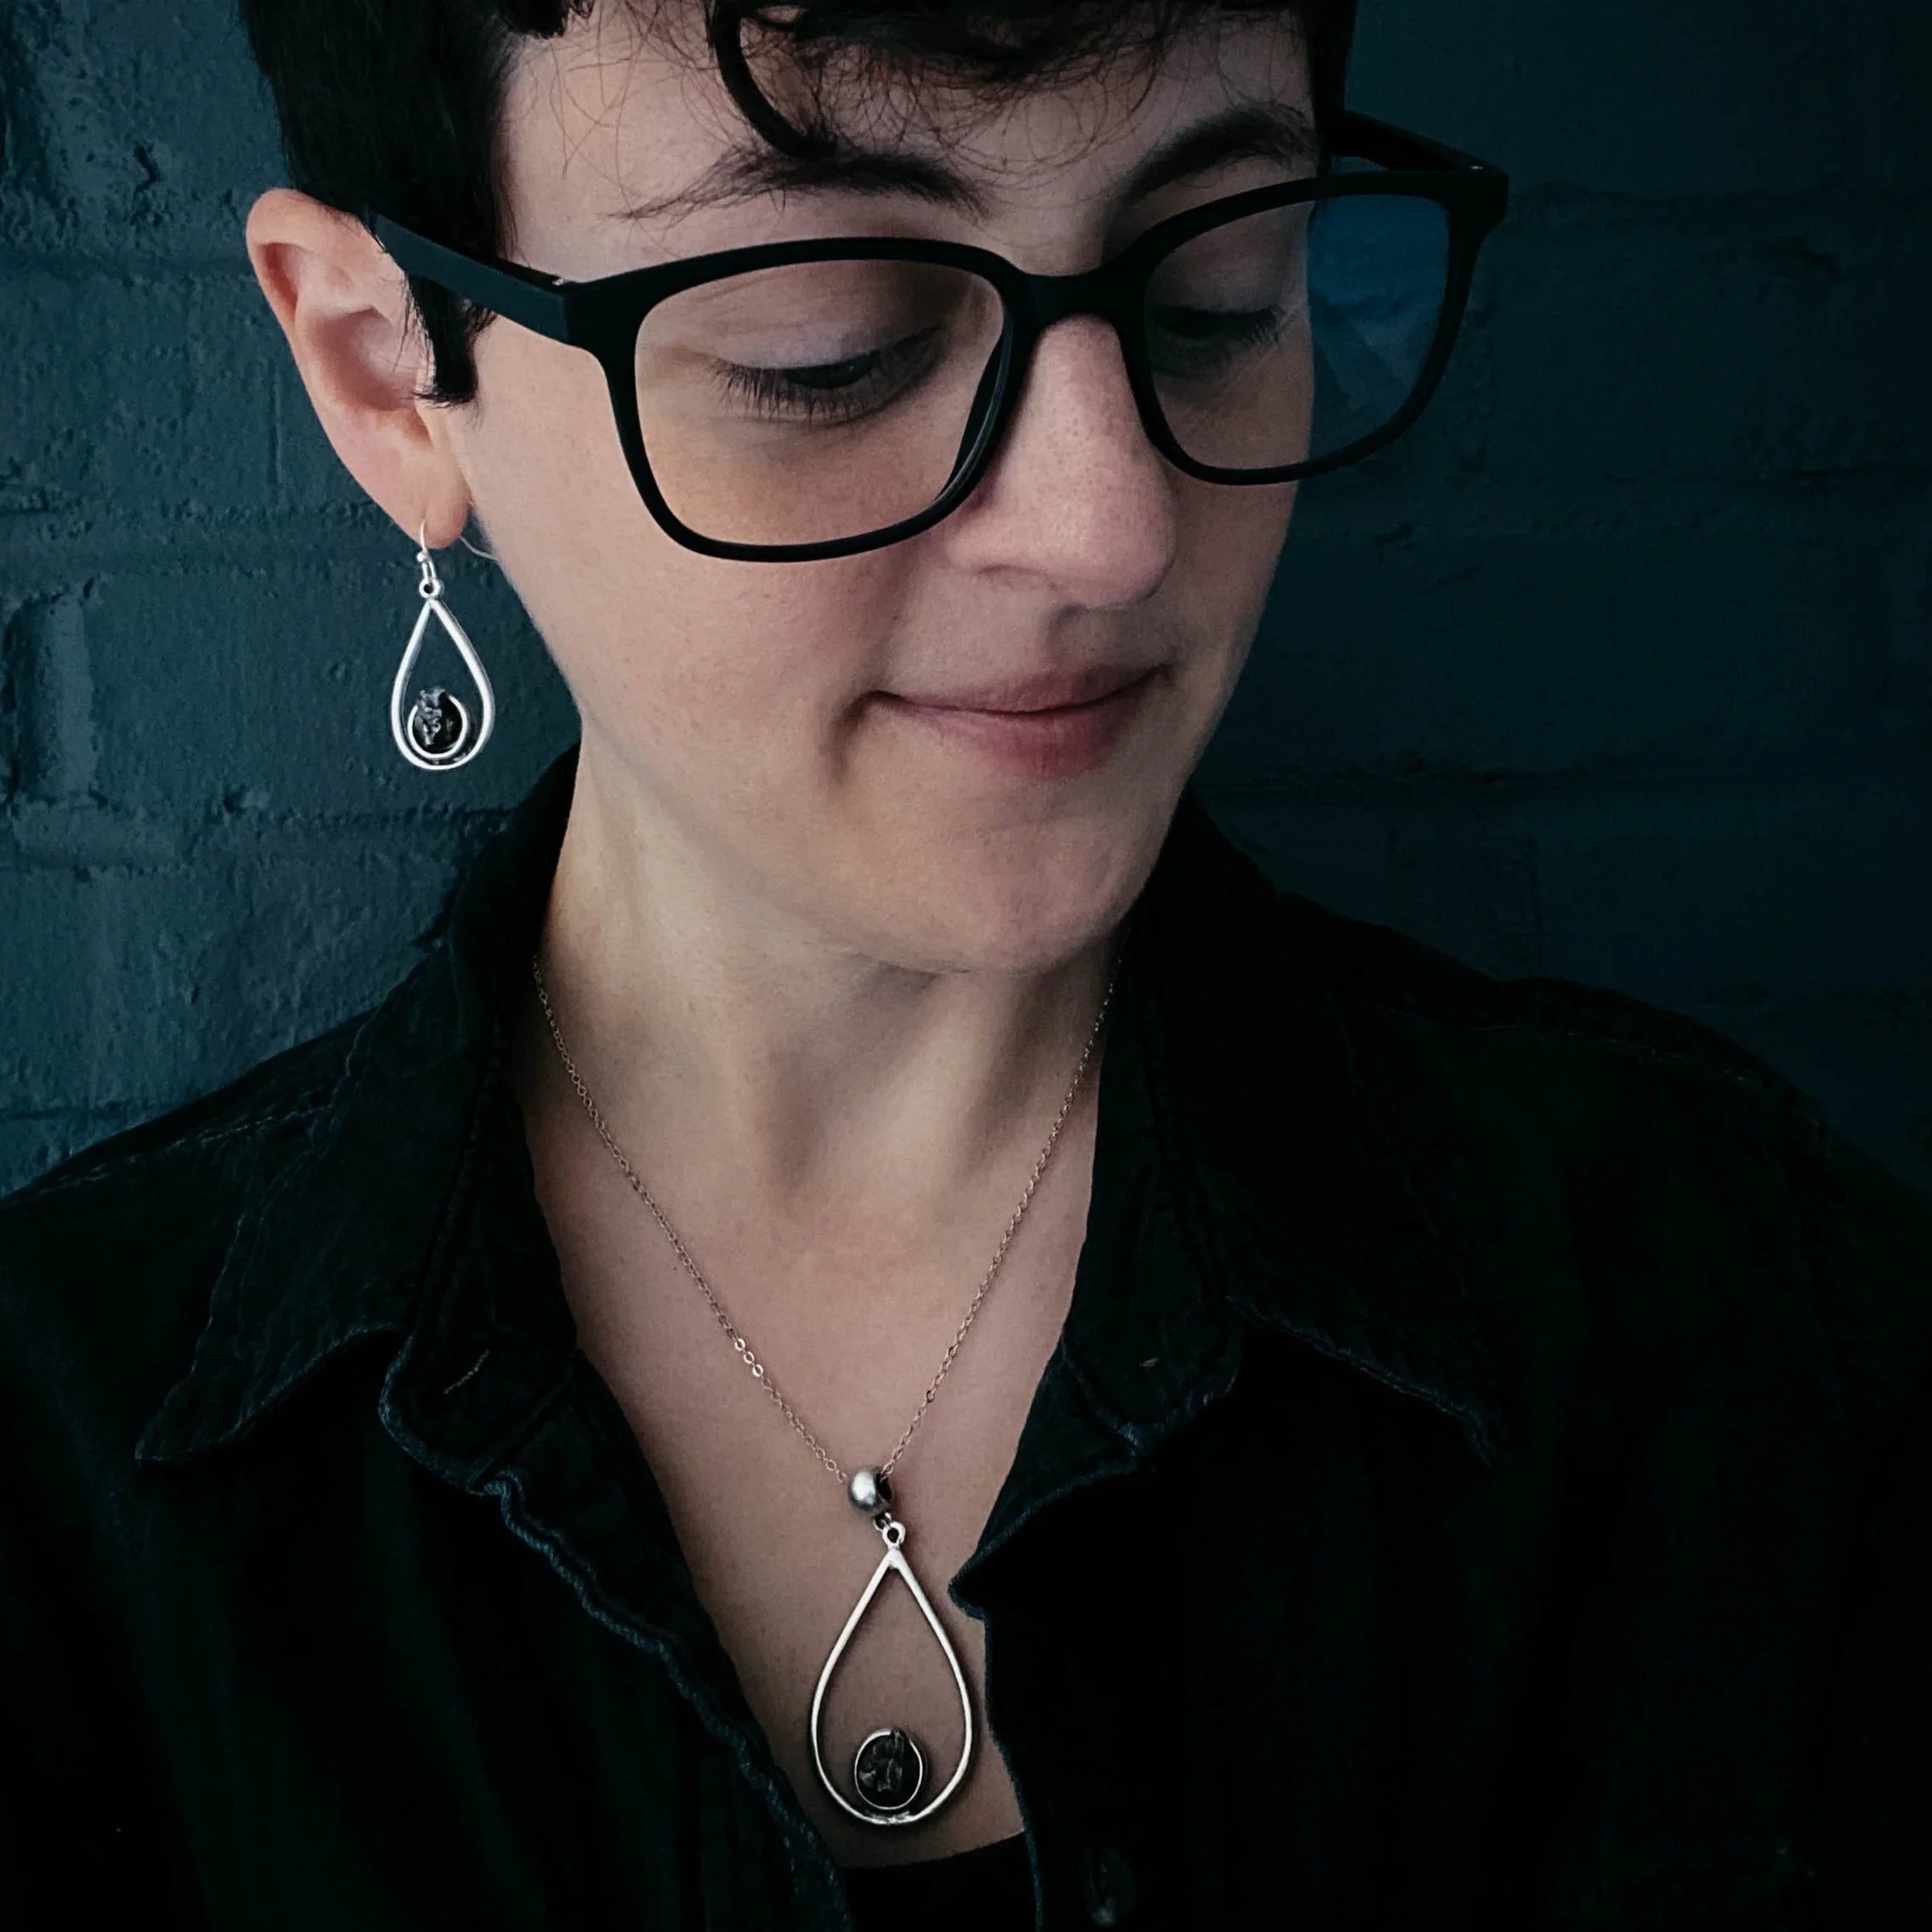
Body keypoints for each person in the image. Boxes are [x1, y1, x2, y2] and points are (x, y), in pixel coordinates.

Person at [1, 3, 1926, 1927]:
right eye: (823, 350)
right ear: (387, 375)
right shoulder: (63, 1479)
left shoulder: (1753, 1336)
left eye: (1221, 291)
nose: (1110, 525)